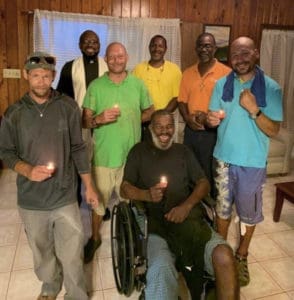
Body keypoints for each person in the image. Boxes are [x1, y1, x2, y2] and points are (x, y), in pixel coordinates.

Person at [0, 52, 99, 300]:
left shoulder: (67, 107)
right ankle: (50, 285)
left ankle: (76, 294)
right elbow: (6, 153)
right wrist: (27, 170)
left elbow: (78, 148)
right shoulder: (14, 114)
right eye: (36, 76)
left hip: (65, 195)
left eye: (46, 76)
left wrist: (89, 186)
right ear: (26, 76)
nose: (42, 82)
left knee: (72, 251)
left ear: (53, 76)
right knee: (41, 251)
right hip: (31, 200)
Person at [120, 110, 239, 300]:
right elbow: (124, 189)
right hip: (155, 225)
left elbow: (203, 183)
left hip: (189, 220)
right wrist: (146, 195)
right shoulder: (138, 152)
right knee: (161, 268)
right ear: (151, 128)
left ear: (174, 128)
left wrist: (186, 206)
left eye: (169, 127)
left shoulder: (183, 152)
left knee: (224, 254)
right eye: (159, 126)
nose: (164, 132)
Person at [206, 36, 283, 287]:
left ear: (256, 53)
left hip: (252, 163)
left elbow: (273, 130)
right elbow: (212, 117)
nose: (239, 59)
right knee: (222, 210)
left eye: (244, 53)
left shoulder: (271, 89)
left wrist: (255, 109)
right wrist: (210, 120)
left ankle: (241, 256)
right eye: (235, 55)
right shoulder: (221, 85)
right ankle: (221, 255)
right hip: (223, 160)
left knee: (249, 215)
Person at [82, 42, 154, 264]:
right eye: (111, 57)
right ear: (106, 59)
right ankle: (95, 238)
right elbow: (85, 120)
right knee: (98, 204)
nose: (116, 60)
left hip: (131, 159)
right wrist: (98, 119)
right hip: (103, 157)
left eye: (120, 56)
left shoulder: (138, 84)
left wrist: (135, 118)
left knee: (130, 201)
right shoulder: (96, 86)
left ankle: (131, 240)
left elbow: (150, 109)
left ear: (127, 57)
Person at [57, 30, 109, 215]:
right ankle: (77, 199)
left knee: (100, 163)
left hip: (104, 123)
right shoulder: (69, 67)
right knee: (80, 160)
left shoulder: (108, 67)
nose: (91, 45)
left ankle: (100, 204)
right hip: (79, 122)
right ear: (79, 45)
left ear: (99, 45)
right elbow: (62, 96)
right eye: (86, 41)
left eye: (95, 42)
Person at [178, 33, 231, 198]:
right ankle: (194, 201)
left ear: (215, 48)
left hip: (214, 132)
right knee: (190, 167)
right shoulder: (187, 73)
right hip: (191, 130)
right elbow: (181, 101)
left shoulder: (226, 73)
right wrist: (187, 118)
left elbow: (229, 105)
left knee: (211, 170)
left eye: (208, 45)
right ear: (196, 49)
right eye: (201, 45)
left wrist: (210, 118)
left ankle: (212, 204)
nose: (204, 49)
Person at [133, 35, 182, 139]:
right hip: (143, 123)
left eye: (160, 46)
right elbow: (133, 96)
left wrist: (160, 117)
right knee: (143, 152)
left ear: (166, 49)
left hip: (165, 124)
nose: (156, 49)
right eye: (153, 45)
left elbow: (177, 97)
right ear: (149, 47)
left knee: (164, 154)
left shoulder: (174, 70)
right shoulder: (138, 69)